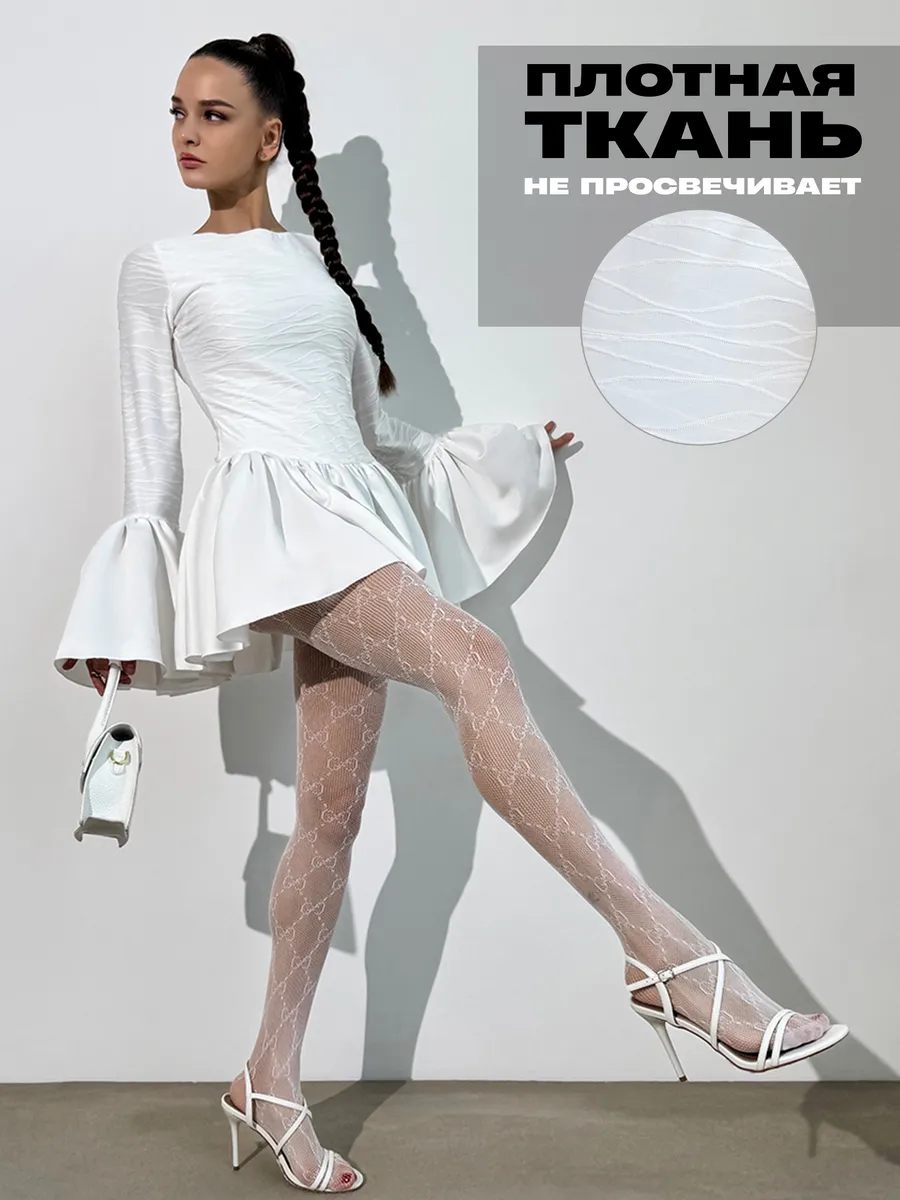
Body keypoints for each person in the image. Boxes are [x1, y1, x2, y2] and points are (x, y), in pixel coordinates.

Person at [55, 33, 849, 1195]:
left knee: (330, 820)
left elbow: (372, 437)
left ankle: (267, 1076)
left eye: (213, 115)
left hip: (354, 518)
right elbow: (153, 461)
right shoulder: (160, 270)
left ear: (269, 139)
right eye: (176, 110)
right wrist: (125, 618)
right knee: (477, 660)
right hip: (271, 532)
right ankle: (668, 956)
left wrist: (512, 451)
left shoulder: (321, 274)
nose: (184, 132)